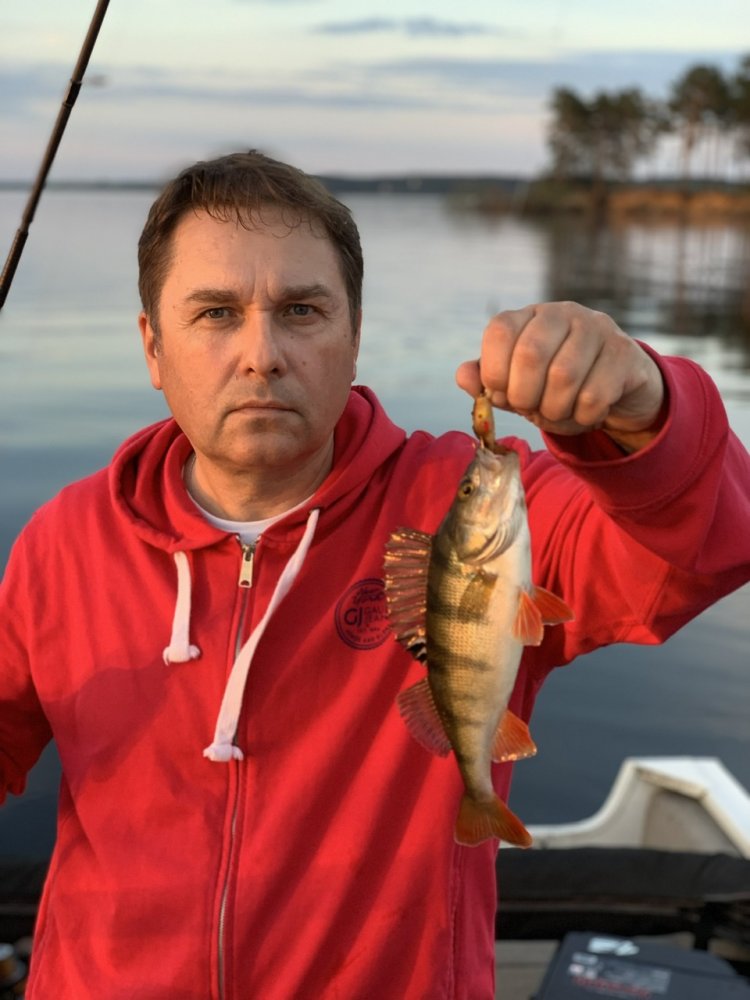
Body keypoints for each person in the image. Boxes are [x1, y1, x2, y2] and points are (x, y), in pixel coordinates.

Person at [1, 150, 748, 1000]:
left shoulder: (463, 504)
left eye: (302, 310)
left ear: (355, 337)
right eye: (215, 313)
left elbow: (703, 546)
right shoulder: (63, 541)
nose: (261, 354)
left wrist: (646, 410)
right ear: (153, 347)